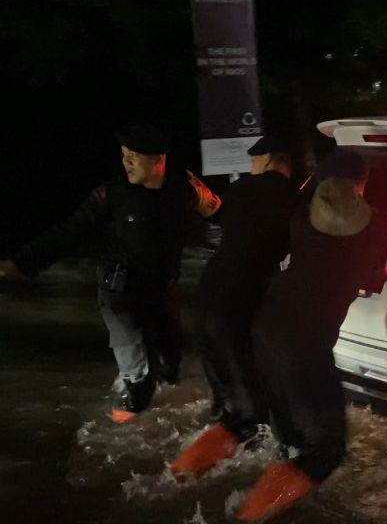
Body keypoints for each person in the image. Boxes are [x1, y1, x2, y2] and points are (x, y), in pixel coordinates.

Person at [231, 149, 387, 524]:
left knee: (290, 438)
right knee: (328, 450)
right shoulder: (381, 227)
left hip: (263, 331)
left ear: (323, 181)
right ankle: (249, 519)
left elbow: (332, 263)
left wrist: (384, 240)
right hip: (305, 348)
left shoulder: (302, 216)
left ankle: (282, 509)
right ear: (362, 185)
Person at [0, 124, 221, 420]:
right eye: (123, 155)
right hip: (120, 296)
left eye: (133, 156)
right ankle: (118, 428)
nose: (126, 162)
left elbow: (220, 214)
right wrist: (19, 263)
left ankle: (160, 422)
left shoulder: (185, 187)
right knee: (140, 383)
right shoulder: (111, 195)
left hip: (163, 292)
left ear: (158, 159)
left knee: (170, 366)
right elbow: (67, 233)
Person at [170, 132, 304, 480]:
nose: (251, 167)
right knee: (251, 409)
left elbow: (230, 223)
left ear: (268, 159)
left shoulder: (239, 191)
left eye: (253, 161)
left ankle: (204, 453)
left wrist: (206, 203)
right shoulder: (296, 201)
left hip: (200, 305)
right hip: (235, 313)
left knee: (225, 399)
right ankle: (209, 475)